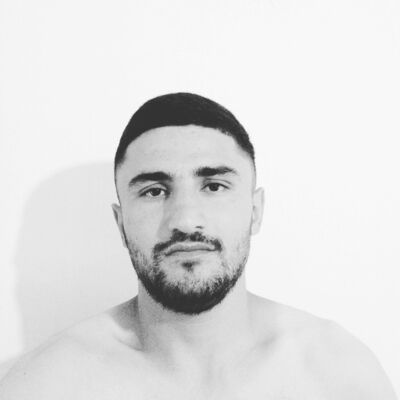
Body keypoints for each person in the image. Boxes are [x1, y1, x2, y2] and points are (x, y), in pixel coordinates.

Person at [0, 93, 396, 399]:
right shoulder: (48, 386)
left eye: (214, 186)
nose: (186, 219)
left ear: (255, 211)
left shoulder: (337, 374)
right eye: (154, 191)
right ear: (120, 225)